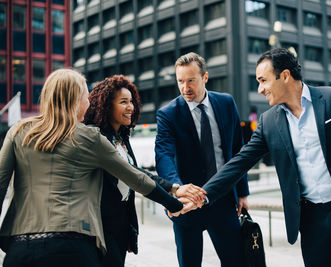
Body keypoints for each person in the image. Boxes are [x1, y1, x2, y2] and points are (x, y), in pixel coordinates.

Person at [200, 48, 331, 267]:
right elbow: (239, 163)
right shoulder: (268, 122)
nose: (260, 89)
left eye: (263, 80)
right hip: (311, 221)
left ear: (286, 76)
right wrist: (203, 194)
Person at [0, 69, 190, 267]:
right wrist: (176, 205)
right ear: (75, 99)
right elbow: (136, 178)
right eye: (85, 96)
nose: (88, 102)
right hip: (73, 248)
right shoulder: (89, 137)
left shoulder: (19, 131)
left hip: (21, 249)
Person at [84, 75, 205, 267]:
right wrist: (175, 197)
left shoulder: (121, 137)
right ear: (107, 105)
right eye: (123, 102)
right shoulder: (96, 137)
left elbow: (136, 172)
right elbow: (135, 176)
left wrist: (130, 230)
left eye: (132, 101)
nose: (130, 107)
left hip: (119, 226)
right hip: (100, 226)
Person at [155, 52, 249, 267]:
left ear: (205, 78)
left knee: (236, 261)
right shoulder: (167, 114)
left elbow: (237, 151)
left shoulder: (226, 103)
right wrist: (177, 189)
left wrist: (242, 192)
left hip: (223, 200)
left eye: (191, 80)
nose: (185, 87)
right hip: (186, 204)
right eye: (180, 81)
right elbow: (164, 156)